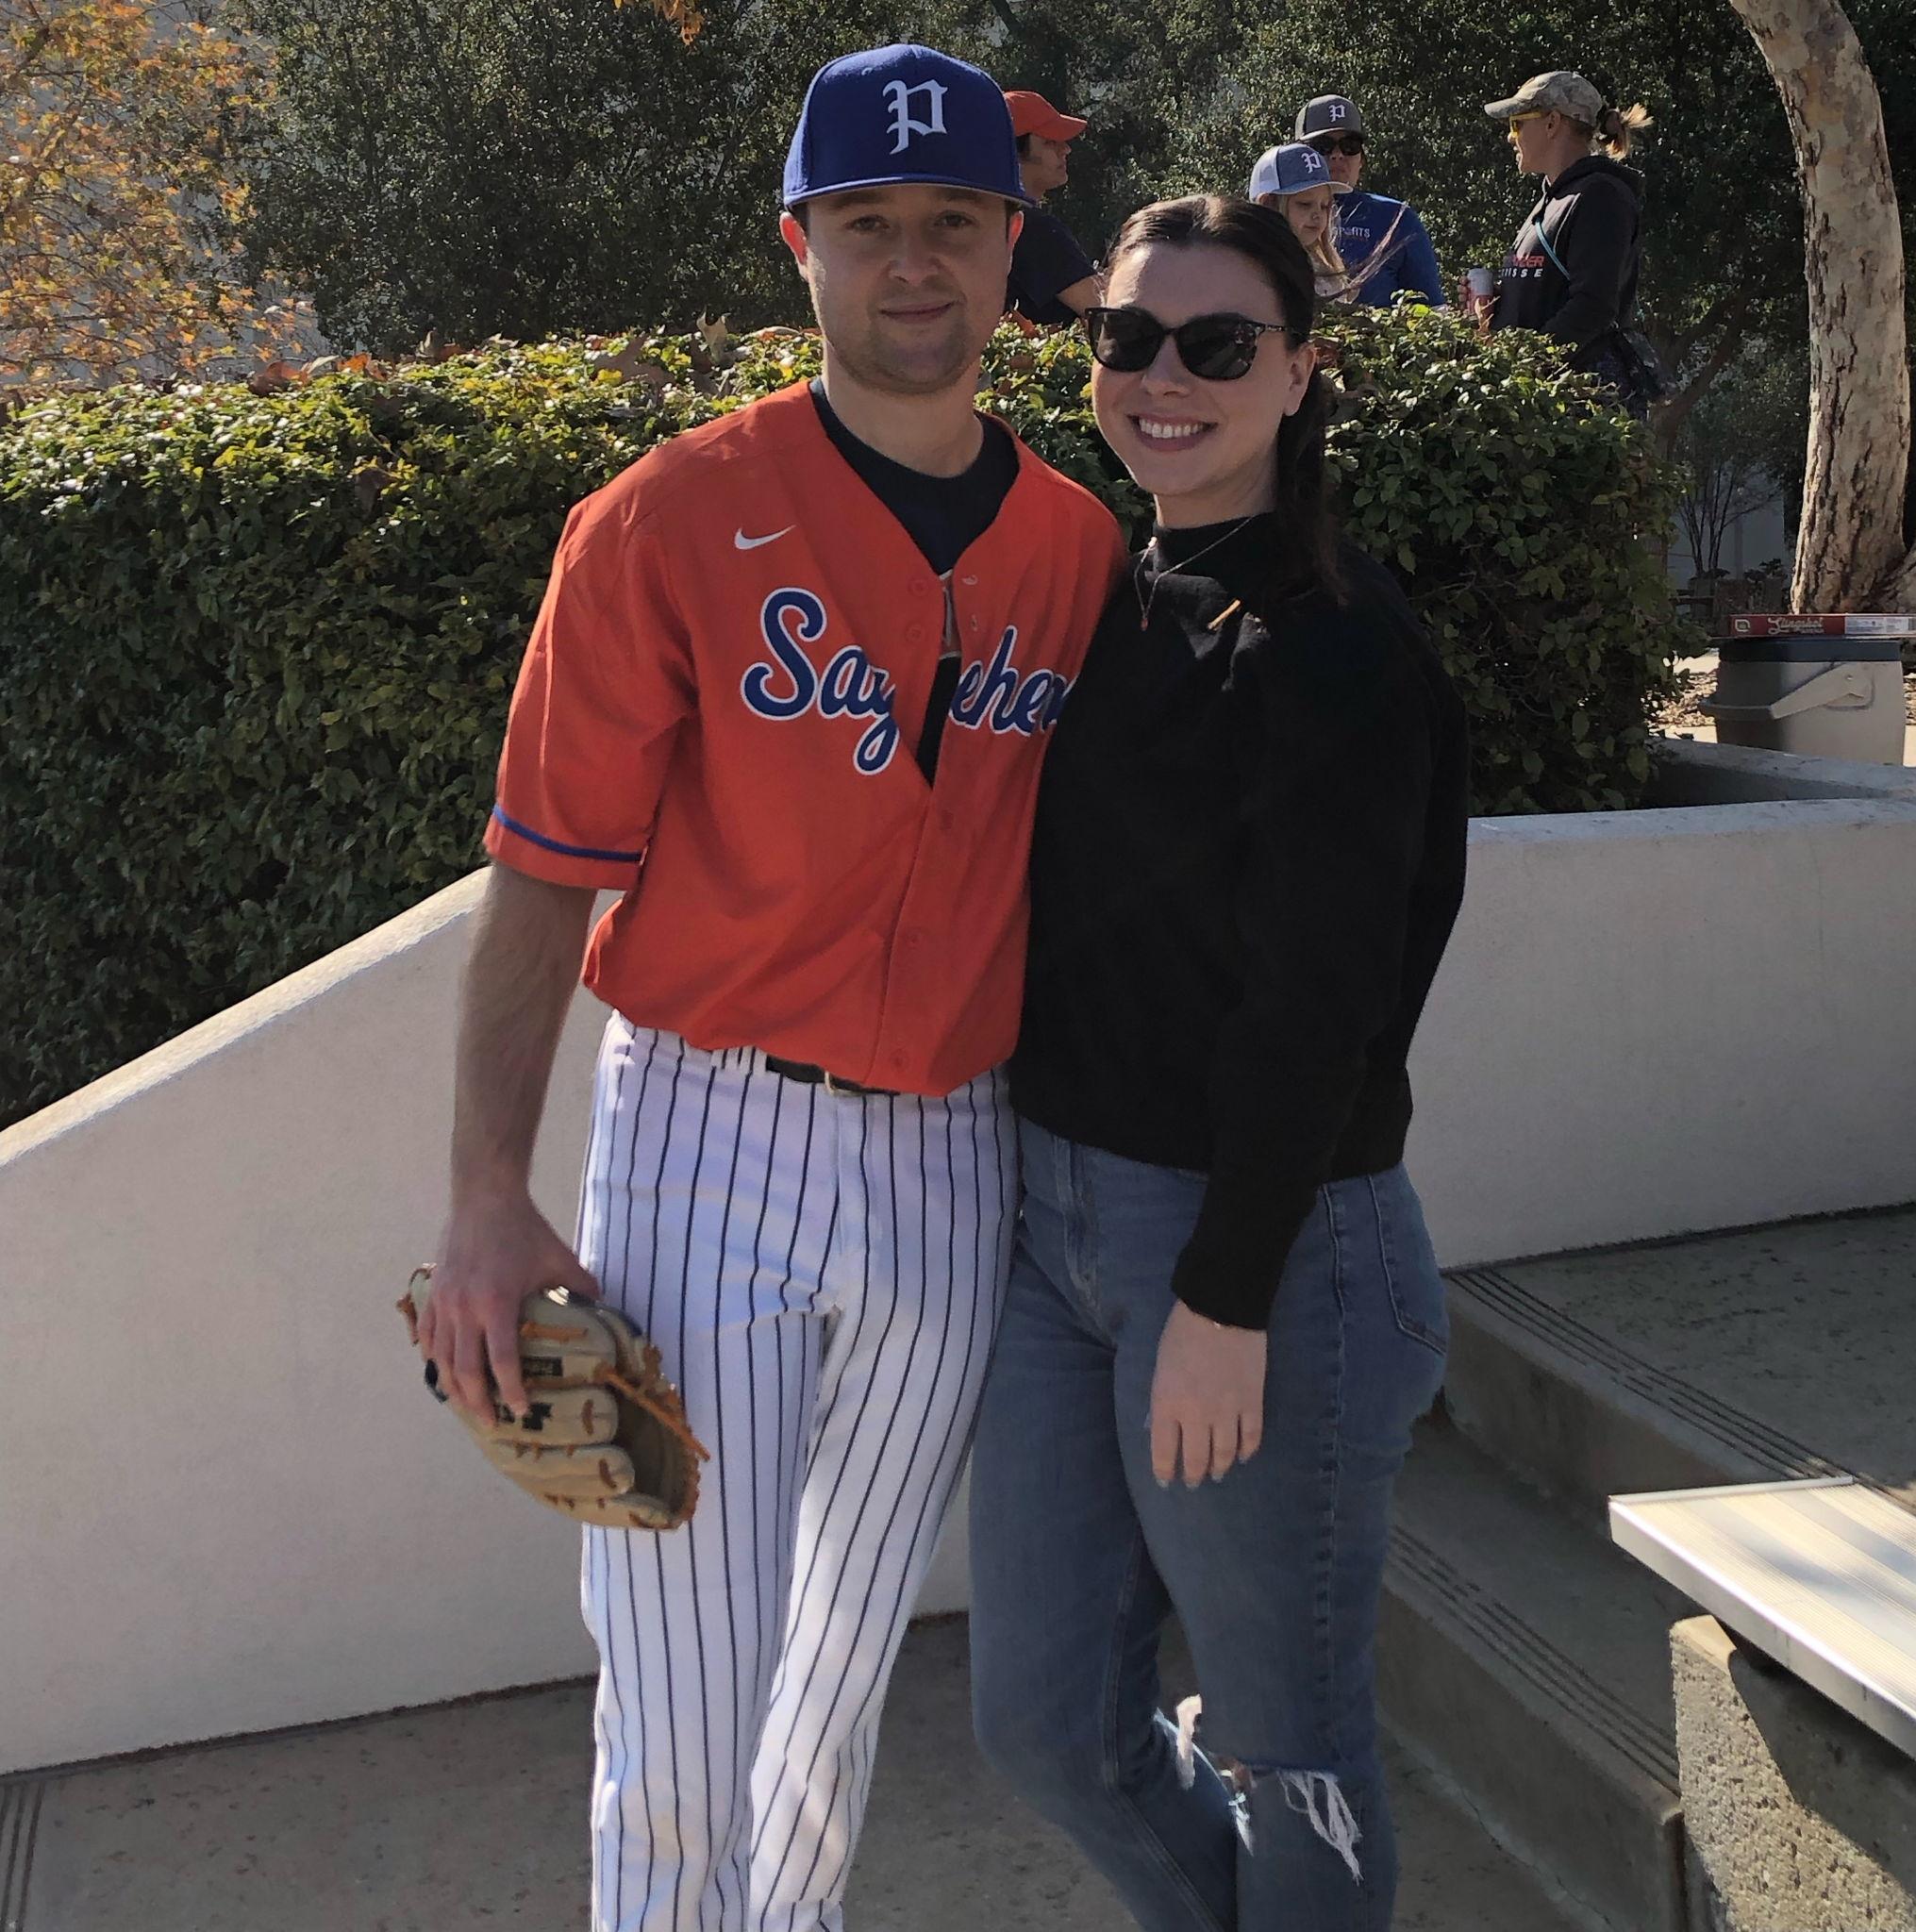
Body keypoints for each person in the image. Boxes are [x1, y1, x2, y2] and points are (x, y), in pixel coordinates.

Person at [414, 42, 1123, 1932]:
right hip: (707, 1135)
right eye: (868, 224)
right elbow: (541, 878)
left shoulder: (1073, 547)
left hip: (952, 1152)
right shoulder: (659, 519)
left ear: (1005, 248)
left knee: (832, 1683)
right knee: (679, 1683)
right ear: (797, 246)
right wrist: (488, 1199)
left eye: (953, 224)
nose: (914, 263)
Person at [970, 192, 1470, 1932]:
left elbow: (1317, 1008)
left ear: (1300, 372)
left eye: (1218, 344)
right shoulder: (1107, 599)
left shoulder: (1334, 644)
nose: (1163, 375)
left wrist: (1230, 1294)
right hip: (1057, 1237)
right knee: (1040, 1720)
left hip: (1269, 1258)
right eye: (1128, 338)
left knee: (1294, 1754)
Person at [1477, 71, 1655, 410]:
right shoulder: (1552, 199)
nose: (1510, 138)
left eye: (1516, 123)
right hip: (1540, 400)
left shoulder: (1601, 194)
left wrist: (1520, 366)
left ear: (1552, 123)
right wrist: (1492, 305)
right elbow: (1546, 293)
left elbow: (1594, 306)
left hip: (1583, 405)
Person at [1293, 93, 1444, 308]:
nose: (1337, 155)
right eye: (1322, 146)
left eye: (1350, 146)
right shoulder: (1274, 216)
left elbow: (1432, 311)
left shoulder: (1397, 218)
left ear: (1362, 159)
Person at [1004, 88, 1102, 325]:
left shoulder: (989, 219)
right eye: (1050, 142)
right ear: (1013, 151)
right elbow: (1105, 311)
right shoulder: (1034, 228)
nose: (1065, 149)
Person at [1248, 141, 1352, 300]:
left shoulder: (1327, 277)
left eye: (1324, 206)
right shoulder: (1246, 270)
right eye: (1305, 204)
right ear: (1268, 204)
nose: (1317, 215)